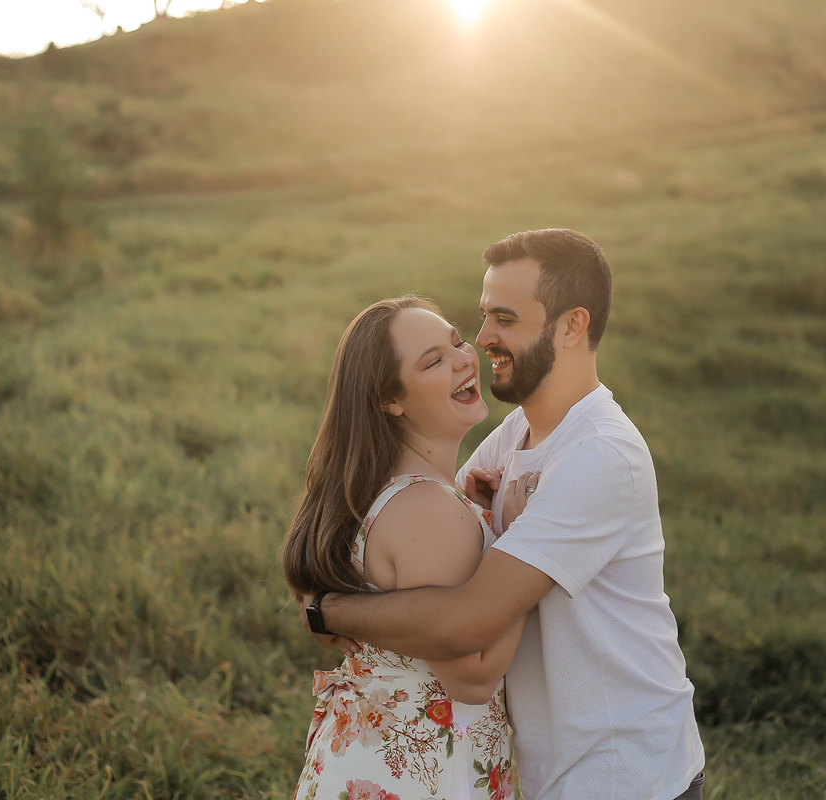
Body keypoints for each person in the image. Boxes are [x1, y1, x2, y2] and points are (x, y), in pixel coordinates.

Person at [302, 229, 706, 800]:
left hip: (619, 770)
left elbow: (467, 620)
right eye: (484, 315)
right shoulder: (518, 432)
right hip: (547, 767)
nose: (482, 338)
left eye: (505, 319)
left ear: (572, 326)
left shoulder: (599, 456)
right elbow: (440, 515)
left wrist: (329, 608)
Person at [282, 295, 528, 800]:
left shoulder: (386, 491)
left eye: (457, 341)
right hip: (420, 776)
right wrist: (522, 539)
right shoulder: (426, 508)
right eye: (433, 361)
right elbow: (474, 678)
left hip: (366, 764)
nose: (464, 358)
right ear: (390, 401)